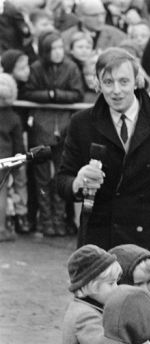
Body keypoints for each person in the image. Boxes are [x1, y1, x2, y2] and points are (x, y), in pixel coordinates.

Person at [57, 47, 150, 269]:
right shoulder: (81, 123)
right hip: (100, 242)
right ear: (97, 84)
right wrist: (77, 182)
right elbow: (61, 181)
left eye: (124, 81)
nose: (116, 91)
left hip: (149, 241)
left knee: (144, 304)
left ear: (137, 81)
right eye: (108, 82)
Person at [22, 30, 84, 237]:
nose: (58, 52)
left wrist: (53, 95)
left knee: (61, 175)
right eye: (53, 48)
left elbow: (77, 93)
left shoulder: (71, 67)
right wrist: (51, 95)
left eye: (60, 47)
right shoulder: (36, 68)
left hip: (65, 127)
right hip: (41, 126)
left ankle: (58, 220)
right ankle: (45, 220)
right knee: (41, 178)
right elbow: (27, 92)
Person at [0, 73, 24, 242]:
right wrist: (17, 165)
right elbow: (18, 147)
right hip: (4, 161)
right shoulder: (14, 118)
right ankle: (1, 229)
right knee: (1, 194)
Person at [61, 0, 126, 53]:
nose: (101, 20)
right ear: (81, 16)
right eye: (94, 15)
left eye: (103, 14)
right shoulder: (65, 38)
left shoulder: (118, 36)